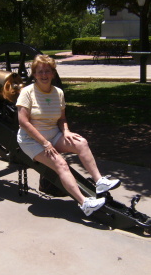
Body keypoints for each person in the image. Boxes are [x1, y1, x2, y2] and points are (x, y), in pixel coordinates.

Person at [16, 55, 121, 216]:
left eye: (47, 71)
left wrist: (66, 131)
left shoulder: (58, 93)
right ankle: (85, 203)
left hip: (53, 134)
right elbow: (23, 122)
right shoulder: (27, 92)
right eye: (40, 72)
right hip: (32, 141)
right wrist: (44, 143)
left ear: (53, 73)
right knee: (61, 164)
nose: (44, 75)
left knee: (81, 142)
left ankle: (99, 182)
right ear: (34, 74)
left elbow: (62, 118)